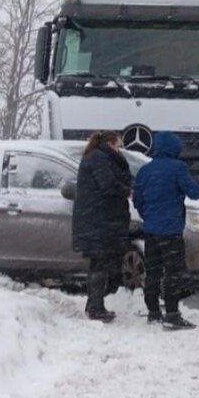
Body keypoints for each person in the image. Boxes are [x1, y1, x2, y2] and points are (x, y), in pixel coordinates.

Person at [132, 132, 199, 330]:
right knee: (174, 272)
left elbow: (137, 200)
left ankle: (153, 311)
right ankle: (172, 314)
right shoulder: (178, 168)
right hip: (171, 230)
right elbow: (194, 192)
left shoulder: (145, 170)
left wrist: (148, 215)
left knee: (153, 272)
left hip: (151, 231)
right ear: (174, 148)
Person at [72, 131, 133, 322]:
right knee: (100, 263)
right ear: (110, 143)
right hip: (99, 220)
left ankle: (94, 305)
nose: (119, 149)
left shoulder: (97, 156)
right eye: (118, 145)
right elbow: (108, 184)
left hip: (98, 219)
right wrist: (127, 191)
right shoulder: (99, 158)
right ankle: (96, 307)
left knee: (99, 262)